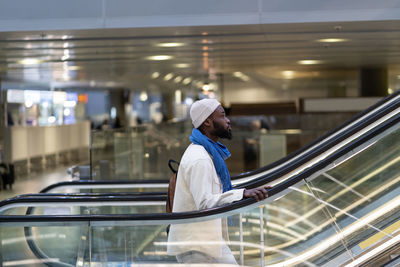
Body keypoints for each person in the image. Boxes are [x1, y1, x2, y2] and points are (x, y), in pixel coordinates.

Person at [167, 98, 271, 264]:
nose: (228, 120)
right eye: (222, 116)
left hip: (206, 242)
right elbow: (204, 203)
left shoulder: (207, 152)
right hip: (196, 246)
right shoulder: (199, 158)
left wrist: (245, 191)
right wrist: (241, 194)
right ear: (207, 121)